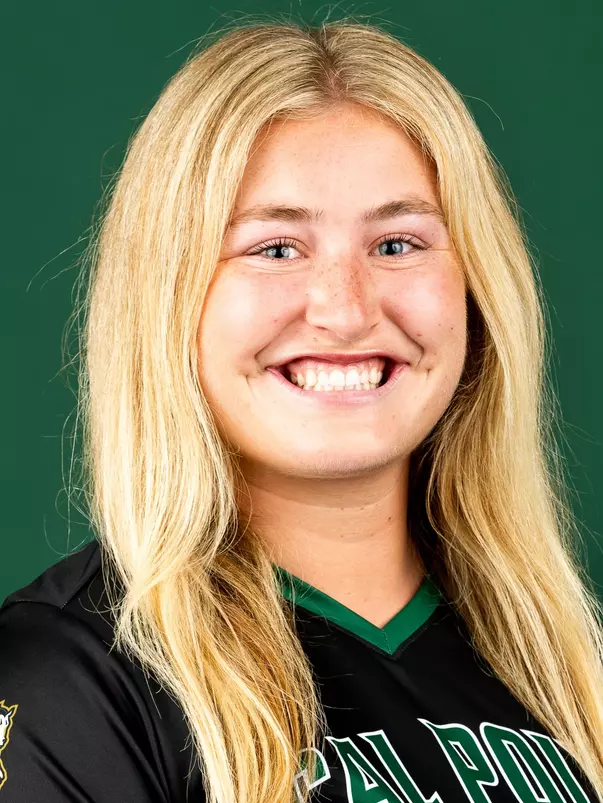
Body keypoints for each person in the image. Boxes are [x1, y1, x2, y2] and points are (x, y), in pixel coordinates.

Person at [0, 15, 601, 803]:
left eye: (398, 243)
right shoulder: (66, 679)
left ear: (477, 290)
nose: (346, 311)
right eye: (275, 249)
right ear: (167, 297)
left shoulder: (562, 665)